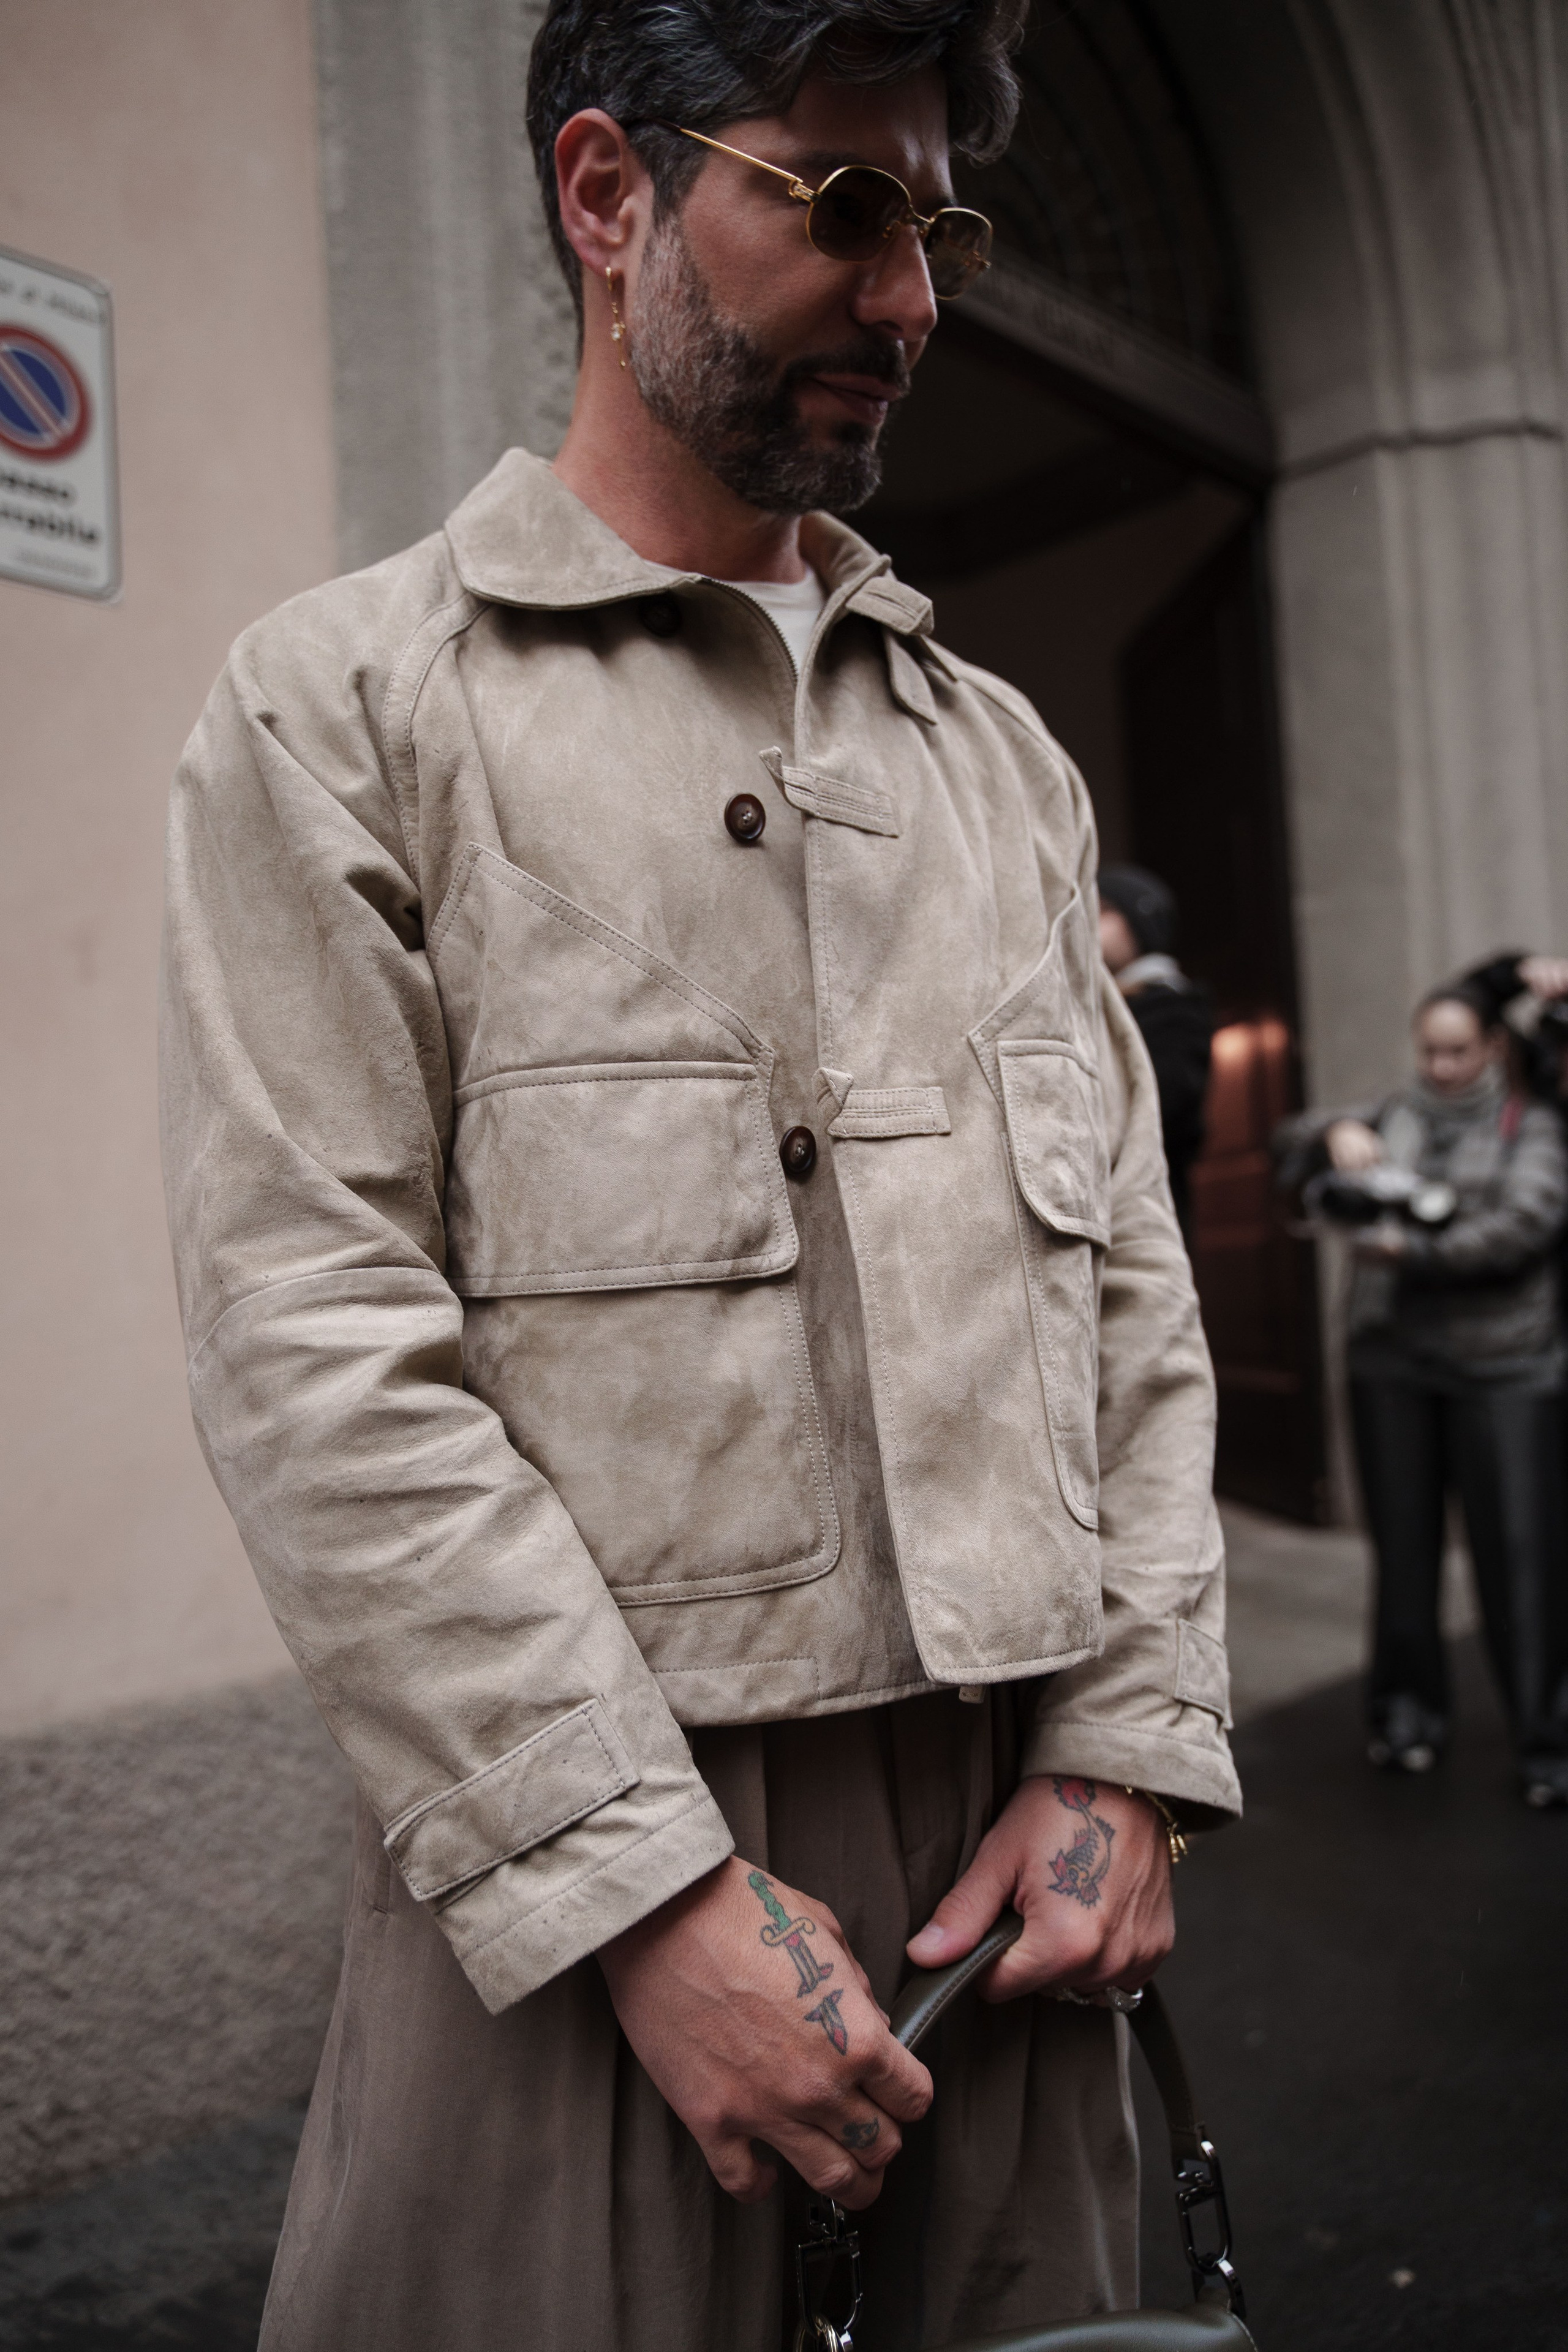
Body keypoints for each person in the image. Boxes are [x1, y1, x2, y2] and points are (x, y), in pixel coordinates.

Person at [159, 6, 1239, 2345]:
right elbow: (319, 1343)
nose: (914, 294)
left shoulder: (1004, 765)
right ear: (605, 194)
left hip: (1011, 1886)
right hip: (590, 1916)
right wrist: (643, 1896)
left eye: (934, 223)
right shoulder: (344, 709)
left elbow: (1127, 1301)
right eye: (840, 205)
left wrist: (1128, 1755)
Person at [1278, 986, 1568, 1807]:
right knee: (1403, 1551)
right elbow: (1290, 1140)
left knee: (1521, 1556)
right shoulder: (1393, 1109)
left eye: (1457, 1051)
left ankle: (1549, 1743)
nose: (1440, 1067)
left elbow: (1527, 1221)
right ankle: (1405, 1719)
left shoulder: (1533, 1123)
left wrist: (1414, 1252)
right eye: (1429, 1050)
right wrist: (1331, 1133)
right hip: (1393, 1363)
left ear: (1493, 1051)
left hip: (1506, 1365)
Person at [1097, 863, 1214, 1238]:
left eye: (1104, 912)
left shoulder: (1174, 1008)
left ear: (1139, 925)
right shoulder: (1088, 1002)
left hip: (1146, 1200)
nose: (1089, 922)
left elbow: (1164, 1103)